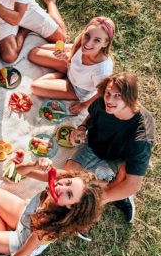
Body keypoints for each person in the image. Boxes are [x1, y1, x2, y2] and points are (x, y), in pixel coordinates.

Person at [0, 158, 104, 256]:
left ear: (71, 207)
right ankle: (1, 234)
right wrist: (35, 165)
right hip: (24, 214)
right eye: (68, 182)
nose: (61, 188)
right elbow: (19, 171)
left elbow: (26, 250)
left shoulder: (50, 224)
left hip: (23, 239)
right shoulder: (59, 178)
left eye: (69, 194)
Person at [65, 72, 155, 231]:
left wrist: (98, 200)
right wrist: (82, 127)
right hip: (93, 146)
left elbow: (133, 185)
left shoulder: (142, 135)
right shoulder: (102, 102)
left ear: (130, 97)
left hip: (118, 160)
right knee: (68, 179)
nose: (109, 100)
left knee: (92, 194)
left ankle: (123, 197)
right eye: (108, 93)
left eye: (117, 96)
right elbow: (93, 116)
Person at [29, 17, 115, 114]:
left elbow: (101, 92)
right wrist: (65, 57)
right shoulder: (80, 42)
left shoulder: (102, 70)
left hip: (76, 89)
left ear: (106, 43)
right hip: (70, 68)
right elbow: (73, 56)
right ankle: (62, 73)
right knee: (34, 53)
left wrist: (84, 105)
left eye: (97, 40)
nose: (87, 43)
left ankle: (59, 74)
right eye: (87, 35)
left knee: (34, 87)